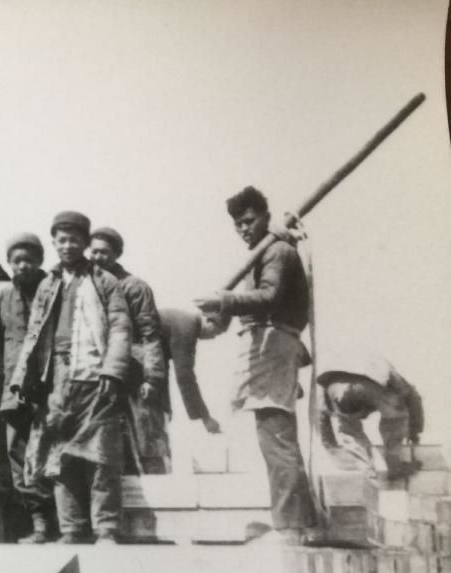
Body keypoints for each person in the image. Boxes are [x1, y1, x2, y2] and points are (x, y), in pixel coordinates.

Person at [195, 186, 318, 544]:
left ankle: (290, 526)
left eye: (249, 221)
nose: (244, 229)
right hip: (267, 343)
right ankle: (296, 522)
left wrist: (225, 300)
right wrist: (221, 314)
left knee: (276, 436)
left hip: (274, 343)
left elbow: (268, 297)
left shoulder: (277, 251)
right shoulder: (264, 252)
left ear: (266, 216)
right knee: (274, 435)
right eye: (238, 224)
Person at [5, 211, 132, 544]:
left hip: (96, 376)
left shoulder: (105, 281)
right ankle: (72, 528)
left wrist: (113, 370)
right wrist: (24, 379)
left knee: (102, 457)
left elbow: (120, 327)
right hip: (58, 380)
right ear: (54, 243)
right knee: (58, 456)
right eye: (62, 240)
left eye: (74, 240)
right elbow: (33, 334)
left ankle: (105, 529)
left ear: (85, 243)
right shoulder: (48, 284)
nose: (68, 246)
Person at [0, 232, 54, 540]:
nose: (23, 266)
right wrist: (12, 375)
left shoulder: (54, 291)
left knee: (53, 449)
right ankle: (39, 522)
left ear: (40, 260)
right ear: (9, 263)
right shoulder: (2, 298)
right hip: (15, 391)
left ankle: (65, 521)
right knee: (18, 451)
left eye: (29, 260)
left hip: (50, 387)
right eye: (17, 261)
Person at [88, 227, 168, 473]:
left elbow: (150, 335)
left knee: (147, 438)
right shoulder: (89, 286)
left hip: (135, 371)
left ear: (117, 254)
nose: (98, 257)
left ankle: (158, 488)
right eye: (94, 251)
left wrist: (152, 378)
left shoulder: (135, 287)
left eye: (104, 252)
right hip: (103, 371)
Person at [317, 354, 424, 476]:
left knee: (350, 429)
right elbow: (412, 396)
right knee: (396, 417)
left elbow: (322, 413)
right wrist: (414, 431)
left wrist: (331, 446)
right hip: (370, 387)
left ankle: (367, 471)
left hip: (336, 390)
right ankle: (395, 467)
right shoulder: (381, 365)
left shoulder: (335, 368)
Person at [157, 306, 223, 438]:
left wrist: (165, 405)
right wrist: (206, 417)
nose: (213, 337)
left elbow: (162, 367)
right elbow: (185, 377)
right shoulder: (188, 327)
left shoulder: (186, 322)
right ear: (208, 320)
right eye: (216, 331)